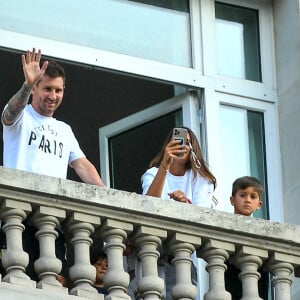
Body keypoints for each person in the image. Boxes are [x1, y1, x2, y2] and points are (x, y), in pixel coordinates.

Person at [1, 48, 105, 282]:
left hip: (51, 222)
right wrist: (26, 86)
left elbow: (81, 165)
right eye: (47, 88)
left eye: (58, 90)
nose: (53, 95)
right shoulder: (22, 117)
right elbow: (9, 115)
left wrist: (106, 195)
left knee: (48, 286)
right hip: (18, 218)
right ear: (36, 88)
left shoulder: (64, 130)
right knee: (16, 282)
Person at [140, 126, 217, 299]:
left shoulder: (201, 179)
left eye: (188, 143)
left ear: (194, 149)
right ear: (168, 146)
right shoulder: (152, 173)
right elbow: (148, 206)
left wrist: (186, 205)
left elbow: (203, 216)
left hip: (183, 254)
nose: (183, 146)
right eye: (178, 141)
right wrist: (165, 165)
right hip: (155, 251)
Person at [225, 176, 269, 300]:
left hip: (256, 282)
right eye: (243, 195)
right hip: (231, 280)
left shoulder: (264, 231)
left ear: (259, 204)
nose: (247, 200)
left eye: (253, 196)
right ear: (232, 200)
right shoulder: (224, 226)